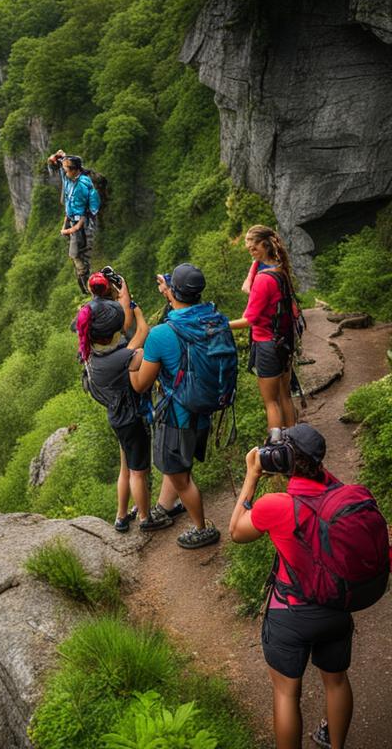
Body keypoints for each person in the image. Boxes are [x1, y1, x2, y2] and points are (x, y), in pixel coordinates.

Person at [227, 425, 355, 749]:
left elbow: (236, 531)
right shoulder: (344, 497)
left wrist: (252, 475)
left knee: (286, 693)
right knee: (337, 681)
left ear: (282, 460)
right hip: (336, 607)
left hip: (291, 614)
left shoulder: (276, 505)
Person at [129, 263, 222, 549]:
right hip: (202, 409)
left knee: (180, 477)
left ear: (172, 291)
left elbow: (141, 385)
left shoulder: (161, 334)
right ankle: (166, 507)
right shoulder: (213, 318)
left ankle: (202, 528)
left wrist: (133, 360)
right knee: (180, 464)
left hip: (176, 416)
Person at [77, 277, 169, 533]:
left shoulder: (91, 353)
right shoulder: (122, 357)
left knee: (125, 468)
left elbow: (126, 330)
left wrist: (122, 290)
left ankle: (120, 515)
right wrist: (138, 312)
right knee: (139, 471)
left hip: (117, 417)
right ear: (112, 333)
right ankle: (145, 518)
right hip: (132, 418)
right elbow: (142, 336)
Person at [229, 225, 299, 430]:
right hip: (283, 341)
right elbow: (246, 286)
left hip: (266, 344)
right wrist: (255, 264)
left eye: (253, 243)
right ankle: (293, 441)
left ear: (265, 244)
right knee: (285, 395)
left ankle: (277, 450)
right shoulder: (280, 269)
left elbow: (248, 320)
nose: (249, 246)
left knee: (271, 402)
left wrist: (221, 325)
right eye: (247, 243)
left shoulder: (262, 280)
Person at [48, 149, 101, 293]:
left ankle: (89, 289)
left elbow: (84, 215)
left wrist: (69, 230)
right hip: (71, 220)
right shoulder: (69, 178)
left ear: (74, 170)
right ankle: (86, 285)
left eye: (66, 169)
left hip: (81, 226)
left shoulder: (81, 186)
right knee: (77, 256)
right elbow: (53, 163)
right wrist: (57, 157)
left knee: (77, 256)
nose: (64, 171)